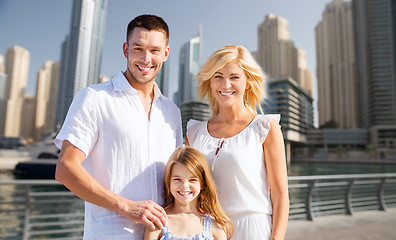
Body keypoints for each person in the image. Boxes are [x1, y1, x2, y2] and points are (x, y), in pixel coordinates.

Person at [54, 14, 183, 239]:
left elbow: (177, 177)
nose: (145, 58)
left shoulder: (171, 112)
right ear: (125, 49)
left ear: (166, 53)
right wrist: (126, 206)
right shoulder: (94, 98)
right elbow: (65, 168)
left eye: (154, 50)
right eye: (138, 48)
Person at [186, 45, 289, 240]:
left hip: (253, 230)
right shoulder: (194, 133)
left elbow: (280, 194)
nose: (225, 85)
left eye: (234, 77)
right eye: (218, 76)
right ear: (209, 82)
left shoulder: (265, 128)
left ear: (248, 82)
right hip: (206, 230)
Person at [144, 146, 233, 240]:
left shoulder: (216, 226)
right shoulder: (157, 222)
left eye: (192, 179)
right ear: (168, 181)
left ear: (202, 183)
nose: (185, 186)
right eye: (177, 179)